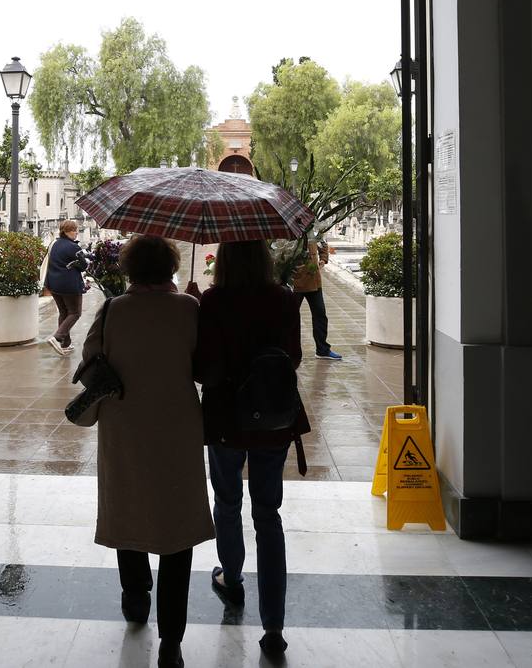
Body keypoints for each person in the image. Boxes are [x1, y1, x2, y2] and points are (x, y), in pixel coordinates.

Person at [80, 235, 212, 668]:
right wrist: (195, 310)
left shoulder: (114, 310)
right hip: (177, 427)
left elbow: (90, 358)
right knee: (177, 519)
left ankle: (136, 598)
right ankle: (171, 638)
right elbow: (205, 366)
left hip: (126, 425)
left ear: (129, 269)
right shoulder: (189, 309)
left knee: (129, 501)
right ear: (171, 268)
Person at [194, 239, 311, 659]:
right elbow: (293, 358)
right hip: (273, 419)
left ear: (223, 260)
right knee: (268, 514)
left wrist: (198, 312)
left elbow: (203, 368)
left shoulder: (213, 300)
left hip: (226, 419)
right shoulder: (282, 298)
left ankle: (233, 578)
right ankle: (274, 626)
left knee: (227, 501)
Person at [291, 232, 341, 359]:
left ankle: (322, 349)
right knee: (290, 317)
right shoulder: (291, 229)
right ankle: (289, 350)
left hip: (314, 280)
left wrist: (323, 259)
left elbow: (323, 242)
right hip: (295, 282)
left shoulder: (313, 227)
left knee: (320, 315)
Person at [44, 219, 86, 354]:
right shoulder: (73, 247)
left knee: (63, 312)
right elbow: (84, 265)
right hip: (70, 286)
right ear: (67, 231)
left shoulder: (54, 244)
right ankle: (57, 337)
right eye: (74, 231)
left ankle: (64, 344)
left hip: (54, 285)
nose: (76, 233)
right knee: (75, 313)